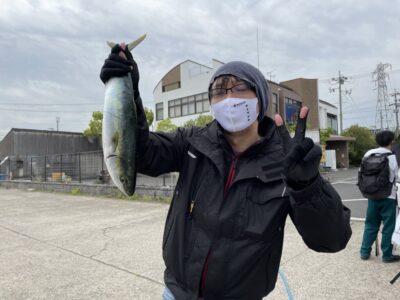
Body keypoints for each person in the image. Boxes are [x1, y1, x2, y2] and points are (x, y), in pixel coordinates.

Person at [100, 45, 352, 300]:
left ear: (260, 99)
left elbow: (333, 239)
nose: (229, 97)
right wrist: (128, 91)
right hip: (176, 293)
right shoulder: (192, 142)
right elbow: (142, 154)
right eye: (219, 91)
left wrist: (308, 186)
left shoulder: (285, 162)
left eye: (240, 88)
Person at [360, 130, 400, 263]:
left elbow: (362, 172)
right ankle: (387, 255)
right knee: (388, 226)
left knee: (370, 223)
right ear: (391, 142)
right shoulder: (392, 157)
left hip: (371, 194)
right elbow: (397, 176)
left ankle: (364, 252)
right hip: (389, 196)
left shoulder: (368, 154)